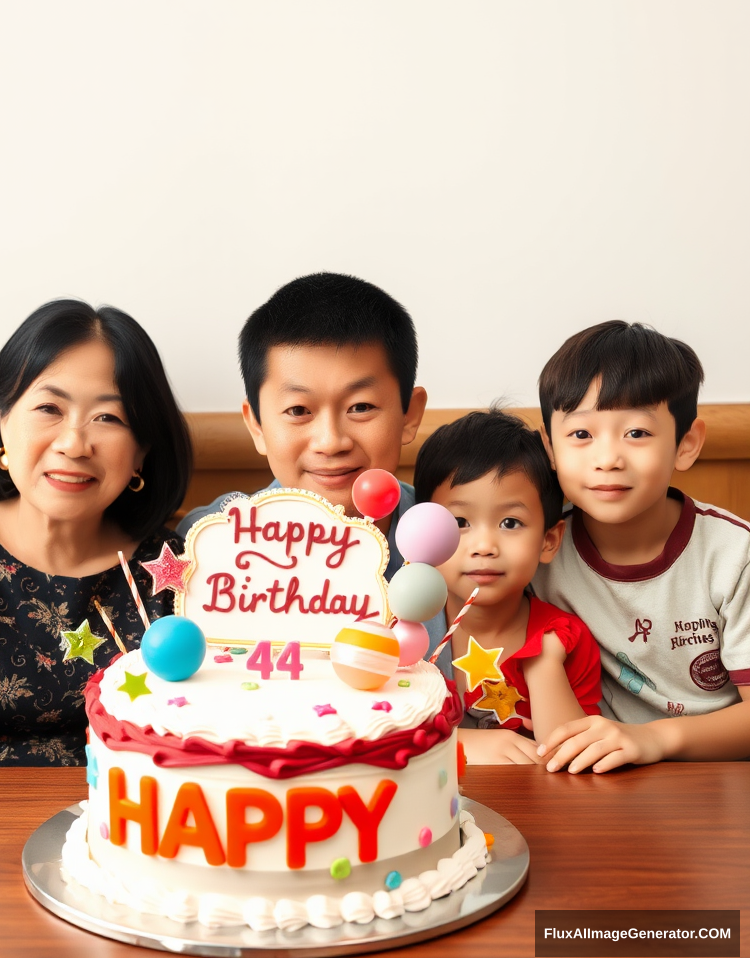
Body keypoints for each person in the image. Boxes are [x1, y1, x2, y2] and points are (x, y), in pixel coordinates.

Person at [0, 299, 192, 766]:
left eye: (108, 418)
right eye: (49, 408)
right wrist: (119, 758)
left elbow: (193, 730)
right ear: (3, 424)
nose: (74, 443)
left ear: (141, 452)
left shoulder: (170, 564)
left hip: (136, 823)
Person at [532, 320, 750, 772]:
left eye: (636, 433)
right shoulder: (540, 552)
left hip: (721, 777)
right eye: (580, 435)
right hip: (598, 782)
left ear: (685, 445)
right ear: (550, 449)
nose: (607, 459)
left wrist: (653, 739)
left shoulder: (734, 556)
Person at [178, 272, 428, 579]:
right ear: (256, 425)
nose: (330, 442)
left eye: (360, 407)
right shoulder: (207, 541)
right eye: (298, 410)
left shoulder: (458, 539)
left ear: (409, 415)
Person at [413, 409, 601, 764]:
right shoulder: (406, 630)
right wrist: (459, 745)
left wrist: (544, 664)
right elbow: (377, 736)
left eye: (510, 522)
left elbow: (574, 759)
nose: (484, 545)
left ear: (548, 541)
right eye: (460, 522)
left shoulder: (565, 640)